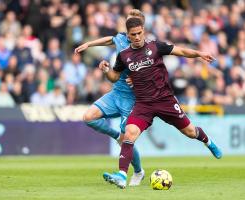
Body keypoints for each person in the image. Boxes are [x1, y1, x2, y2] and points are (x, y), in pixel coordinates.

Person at [99, 17, 222, 189]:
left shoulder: (155, 46)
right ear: (128, 35)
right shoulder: (124, 56)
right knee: (129, 134)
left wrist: (199, 54)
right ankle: (121, 175)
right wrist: (106, 70)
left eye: (139, 33)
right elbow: (114, 77)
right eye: (133, 34)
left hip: (165, 101)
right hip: (143, 104)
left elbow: (182, 51)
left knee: (190, 131)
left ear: (144, 30)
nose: (137, 37)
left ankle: (209, 142)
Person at [74, 9, 145, 186]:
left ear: (142, 28)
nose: (129, 29)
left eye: (134, 25)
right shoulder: (121, 38)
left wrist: (137, 79)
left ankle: (137, 172)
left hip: (132, 99)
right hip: (116, 93)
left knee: (127, 139)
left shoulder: (147, 49)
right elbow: (109, 39)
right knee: (88, 117)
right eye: (128, 24)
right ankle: (115, 135)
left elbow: (153, 73)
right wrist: (89, 44)